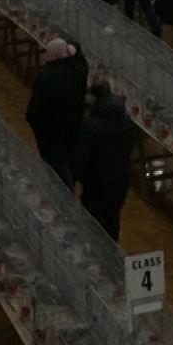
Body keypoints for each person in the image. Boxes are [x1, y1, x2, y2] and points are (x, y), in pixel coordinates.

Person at [72, 82, 137, 240]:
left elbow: (80, 158)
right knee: (113, 217)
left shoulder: (90, 127)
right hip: (121, 178)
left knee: (92, 221)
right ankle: (112, 252)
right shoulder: (127, 120)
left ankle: (95, 254)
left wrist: (81, 177)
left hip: (97, 181)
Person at [26, 39, 89, 187]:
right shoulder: (79, 70)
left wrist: (33, 121)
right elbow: (80, 58)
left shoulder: (47, 77)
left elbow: (36, 108)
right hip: (74, 124)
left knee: (56, 167)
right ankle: (69, 186)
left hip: (51, 130)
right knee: (69, 160)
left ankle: (62, 196)